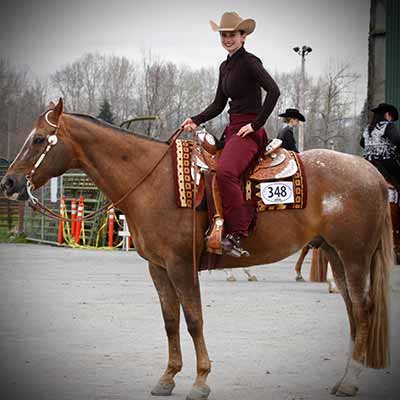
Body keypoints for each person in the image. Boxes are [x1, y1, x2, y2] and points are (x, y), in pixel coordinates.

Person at [181, 11, 280, 257]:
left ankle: (236, 234)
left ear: (243, 36)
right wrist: (195, 119)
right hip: (232, 129)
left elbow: (274, 91)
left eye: (232, 35)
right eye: (224, 35)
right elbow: (218, 104)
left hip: (248, 131)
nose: (227, 39)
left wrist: (257, 125)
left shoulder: (250, 62)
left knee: (225, 172)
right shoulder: (224, 67)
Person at [360, 102, 400, 191]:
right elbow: (397, 141)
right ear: (387, 114)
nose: (391, 120)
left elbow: (362, 143)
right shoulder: (388, 126)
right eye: (391, 117)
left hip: (367, 163)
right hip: (386, 165)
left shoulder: (368, 128)